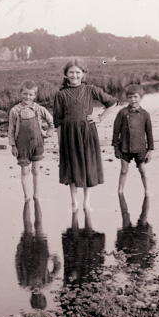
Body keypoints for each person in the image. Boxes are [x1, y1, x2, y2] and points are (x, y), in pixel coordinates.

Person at [53, 59, 118, 212]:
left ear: (83, 74)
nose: (74, 75)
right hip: (69, 134)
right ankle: (74, 202)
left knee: (87, 165)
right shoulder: (60, 94)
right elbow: (58, 121)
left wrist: (100, 118)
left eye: (78, 72)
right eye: (71, 72)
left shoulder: (90, 89)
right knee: (72, 166)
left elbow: (112, 102)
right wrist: (61, 142)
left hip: (87, 132)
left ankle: (86, 202)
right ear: (66, 74)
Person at [8, 80, 54, 201]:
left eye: (30, 94)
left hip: (37, 144)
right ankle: (26, 196)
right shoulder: (14, 111)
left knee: (36, 170)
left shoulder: (39, 109)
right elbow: (11, 130)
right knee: (24, 171)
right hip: (22, 146)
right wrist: (13, 145)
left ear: (35, 96)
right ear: (20, 93)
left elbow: (51, 121)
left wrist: (49, 133)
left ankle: (36, 195)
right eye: (25, 94)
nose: (27, 97)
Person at [112, 84, 153, 195]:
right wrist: (116, 147)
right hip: (125, 146)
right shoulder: (122, 112)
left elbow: (149, 133)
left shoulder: (145, 114)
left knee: (143, 171)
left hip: (140, 147)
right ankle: (120, 191)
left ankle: (147, 192)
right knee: (124, 170)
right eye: (130, 97)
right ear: (126, 98)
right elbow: (116, 131)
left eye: (135, 97)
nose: (133, 100)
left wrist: (149, 150)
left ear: (141, 97)